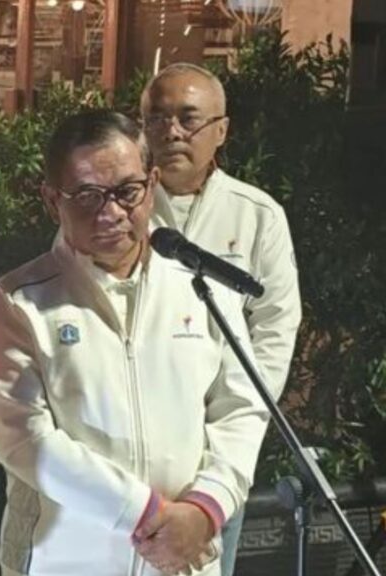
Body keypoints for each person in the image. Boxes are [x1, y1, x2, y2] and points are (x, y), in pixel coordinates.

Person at [0, 110, 270, 575]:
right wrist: (145, 513)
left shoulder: (199, 285)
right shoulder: (19, 301)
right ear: (52, 200)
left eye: (127, 191)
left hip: (184, 555)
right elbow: (23, 439)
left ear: (152, 184)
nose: (110, 213)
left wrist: (205, 507)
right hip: (64, 561)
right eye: (87, 196)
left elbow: (241, 408)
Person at [141, 62, 302, 575]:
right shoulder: (115, 210)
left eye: (188, 119)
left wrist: (237, 426)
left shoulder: (256, 214)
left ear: (222, 130)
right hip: (133, 443)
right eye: (157, 118)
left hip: (218, 451)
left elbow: (275, 326)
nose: (171, 132)